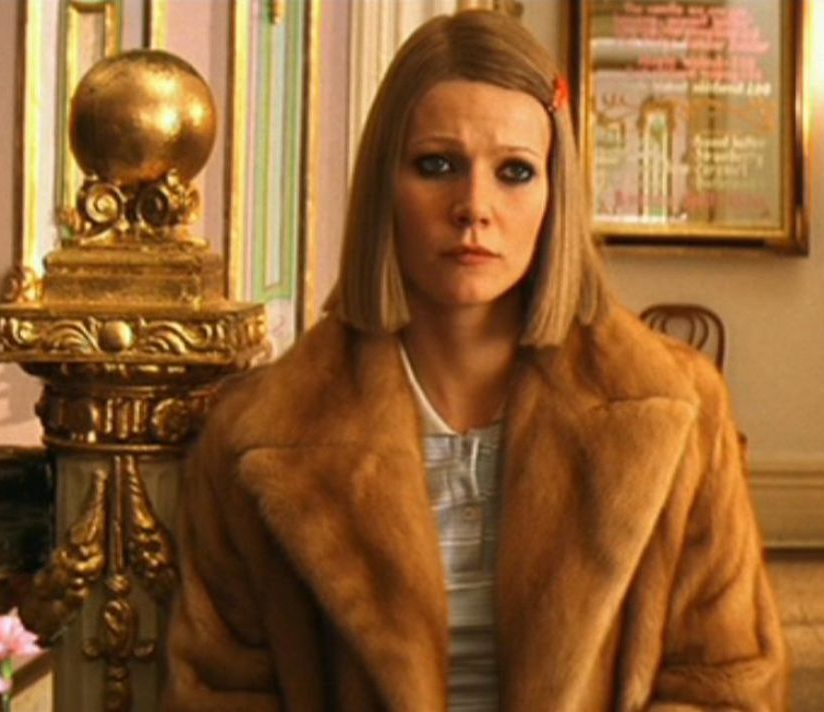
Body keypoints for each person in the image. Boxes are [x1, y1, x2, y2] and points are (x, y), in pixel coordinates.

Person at [164, 9, 787, 711]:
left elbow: (725, 684)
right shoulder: (259, 434)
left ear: (555, 195)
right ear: (383, 184)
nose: (473, 207)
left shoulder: (676, 408)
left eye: (515, 171)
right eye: (437, 165)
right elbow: (221, 694)